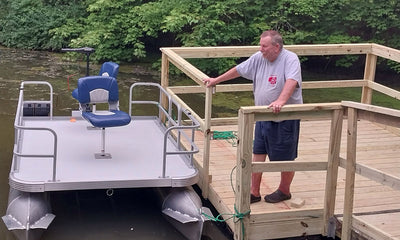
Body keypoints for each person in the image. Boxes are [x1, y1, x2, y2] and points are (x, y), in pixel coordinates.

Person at [203, 30, 302, 203]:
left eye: (264, 46)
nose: (261, 49)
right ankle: (254, 192)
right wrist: (215, 80)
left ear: (276, 47)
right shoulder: (259, 57)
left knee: (285, 156)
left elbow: (292, 81)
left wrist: (280, 100)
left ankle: (284, 190)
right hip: (262, 115)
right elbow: (239, 70)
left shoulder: (290, 59)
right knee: (258, 152)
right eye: (260, 45)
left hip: (285, 117)